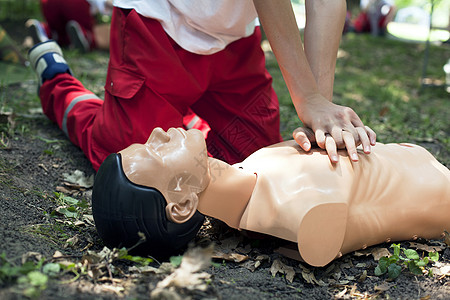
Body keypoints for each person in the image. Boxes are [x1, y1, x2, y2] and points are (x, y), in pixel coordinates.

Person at [28, 0, 376, 173]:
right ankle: (60, 85)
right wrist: (308, 97)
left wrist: (321, 117)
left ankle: (187, 125)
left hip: (234, 40)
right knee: (137, 165)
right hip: (158, 21)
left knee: (257, 165)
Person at [92, 127, 450, 266]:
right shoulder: (297, 211)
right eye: (156, 151)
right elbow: (327, 235)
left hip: (415, 161)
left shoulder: (251, 169)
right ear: (183, 204)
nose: (157, 132)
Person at [26, 0, 112, 52]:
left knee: (57, 30)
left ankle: (44, 31)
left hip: (48, 3)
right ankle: (85, 37)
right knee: (85, 29)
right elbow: (108, 3)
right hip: (75, 4)